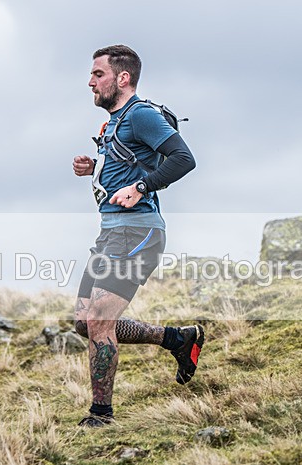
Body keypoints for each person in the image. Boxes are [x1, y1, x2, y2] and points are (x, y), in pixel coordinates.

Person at [72, 44, 203, 427]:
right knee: (84, 322)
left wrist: (141, 187)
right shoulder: (115, 122)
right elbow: (130, 161)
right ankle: (178, 339)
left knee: (99, 321)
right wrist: (95, 166)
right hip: (111, 234)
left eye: (98, 74)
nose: (91, 82)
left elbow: (184, 158)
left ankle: (101, 415)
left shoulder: (141, 114)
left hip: (138, 232)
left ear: (123, 78)